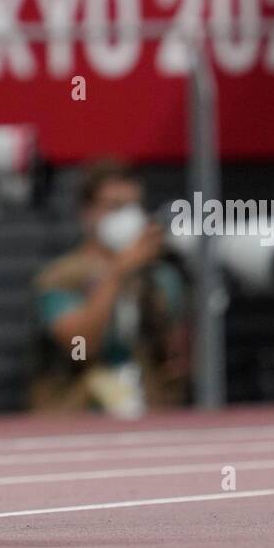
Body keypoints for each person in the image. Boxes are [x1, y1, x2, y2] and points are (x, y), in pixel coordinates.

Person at [31, 159, 189, 416]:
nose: (128, 216)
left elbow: (177, 360)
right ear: (88, 213)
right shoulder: (61, 277)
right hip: (76, 414)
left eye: (134, 206)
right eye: (115, 206)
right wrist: (117, 272)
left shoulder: (158, 277)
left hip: (149, 410)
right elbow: (80, 347)